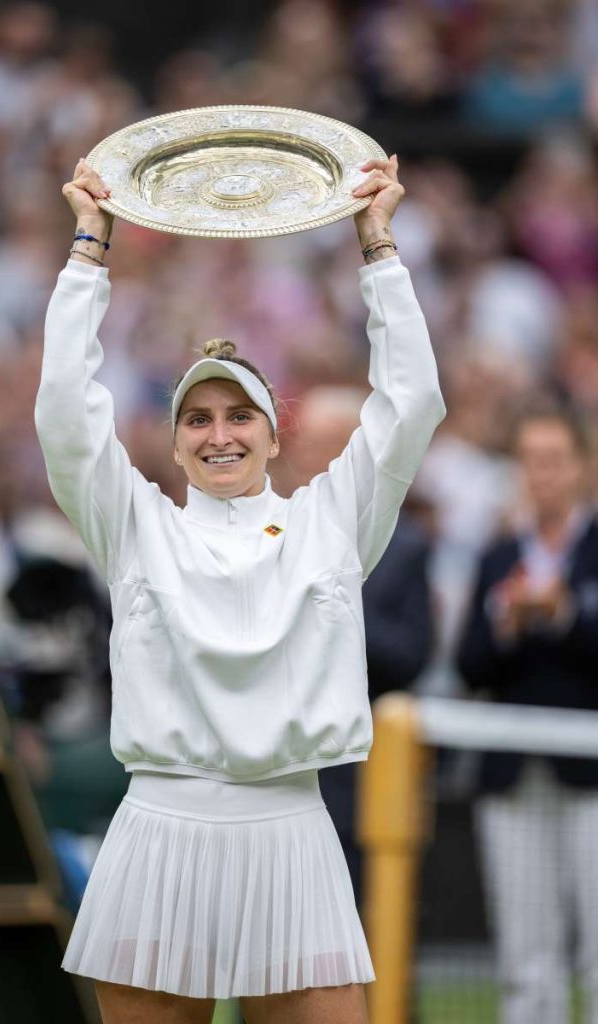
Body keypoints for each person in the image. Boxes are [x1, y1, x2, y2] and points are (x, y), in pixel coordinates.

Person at [34, 152, 446, 1024]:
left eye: (237, 415)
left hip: (291, 834)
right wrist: (88, 252)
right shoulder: (134, 523)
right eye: (197, 418)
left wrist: (378, 250)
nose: (218, 435)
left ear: (272, 433)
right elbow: (67, 413)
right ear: (175, 442)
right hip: (160, 833)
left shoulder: (332, 519)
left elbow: (409, 404)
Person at [457, 402, 598, 1024]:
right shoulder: (496, 555)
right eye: (530, 462)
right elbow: (467, 663)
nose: (542, 475)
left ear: (582, 468)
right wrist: (508, 623)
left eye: (554, 461)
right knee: (524, 951)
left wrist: (566, 613)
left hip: (591, 776)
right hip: (513, 777)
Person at [289, 384, 434, 905]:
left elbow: (412, 656)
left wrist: (335, 606)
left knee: (357, 915)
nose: (312, 456)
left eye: (330, 443)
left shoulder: (405, 543)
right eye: (306, 442)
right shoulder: (271, 524)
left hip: (360, 771)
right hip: (278, 755)